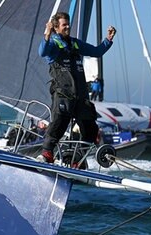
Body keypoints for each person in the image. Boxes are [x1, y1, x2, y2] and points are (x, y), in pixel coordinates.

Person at [36, 12, 116, 164]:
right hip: (63, 95)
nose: (67, 27)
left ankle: (77, 159)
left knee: (91, 129)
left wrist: (108, 40)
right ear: (56, 27)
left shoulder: (75, 43)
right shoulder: (52, 44)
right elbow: (42, 52)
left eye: (68, 24)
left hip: (80, 96)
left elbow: (96, 52)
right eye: (64, 24)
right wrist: (47, 34)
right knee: (59, 124)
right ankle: (46, 154)